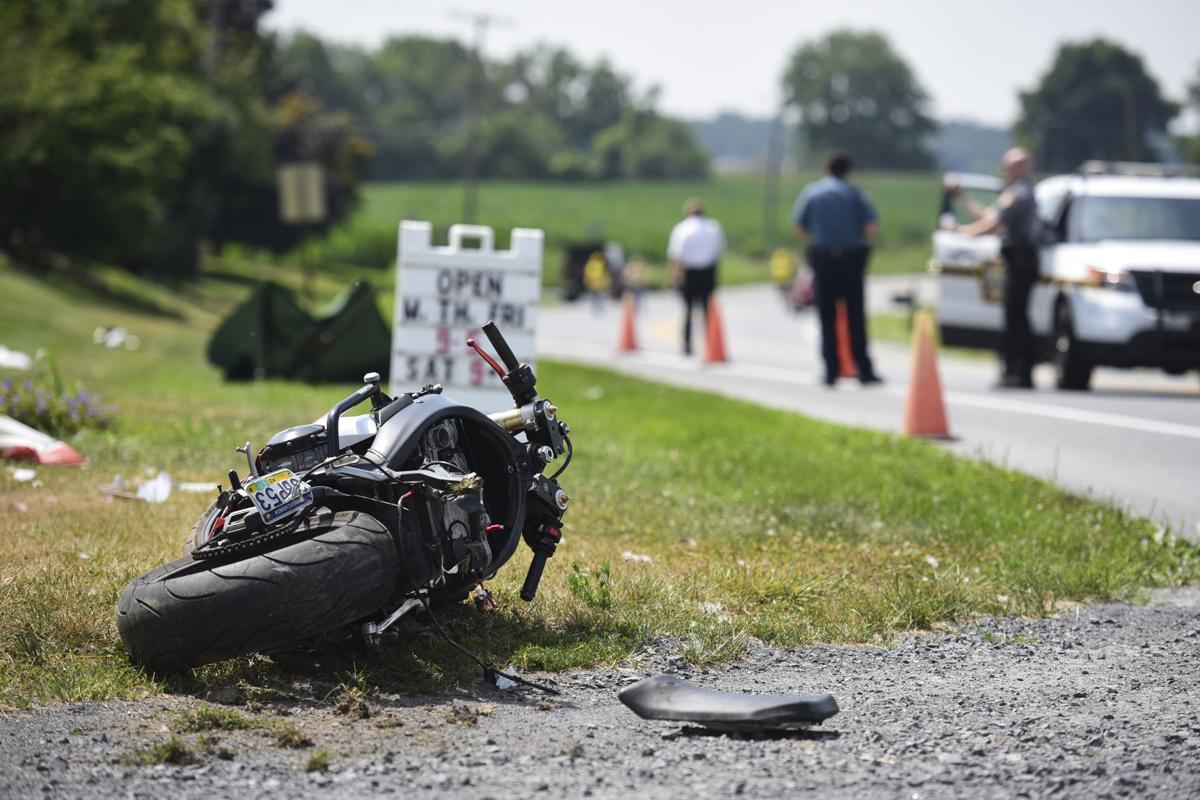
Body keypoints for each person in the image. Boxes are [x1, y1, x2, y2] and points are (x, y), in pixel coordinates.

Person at [952, 147, 1041, 388]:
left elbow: (993, 224)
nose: (1004, 172)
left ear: (1019, 169)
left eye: (1007, 167)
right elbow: (988, 216)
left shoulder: (1019, 193)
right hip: (1019, 262)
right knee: (1016, 317)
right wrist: (963, 198)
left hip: (1021, 262)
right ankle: (1017, 371)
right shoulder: (1017, 192)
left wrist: (962, 232)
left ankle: (1018, 372)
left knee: (1016, 319)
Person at [792, 153, 881, 386]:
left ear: (826, 170)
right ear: (847, 172)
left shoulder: (812, 193)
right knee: (855, 317)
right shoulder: (856, 194)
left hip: (823, 261)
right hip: (851, 261)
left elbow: (800, 228)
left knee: (826, 317)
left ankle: (831, 371)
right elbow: (871, 228)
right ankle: (864, 369)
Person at [667, 198, 724, 355]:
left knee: (688, 310)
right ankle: (710, 342)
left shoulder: (682, 229)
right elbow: (717, 254)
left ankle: (686, 344)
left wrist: (674, 279)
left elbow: (676, 258)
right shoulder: (713, 228)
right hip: (708, 272)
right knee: (707, 310)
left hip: (690, 273)